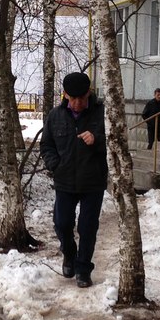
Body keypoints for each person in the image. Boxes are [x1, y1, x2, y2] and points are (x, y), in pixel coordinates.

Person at [40, 71, 108, 288]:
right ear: (65, 95)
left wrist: (97, 139)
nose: (78, 103)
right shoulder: (55, 116)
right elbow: (47, 145)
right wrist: (54, 164)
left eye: (82, 98)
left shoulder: (102, 114)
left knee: (88, 227)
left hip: (93, 181)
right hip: (65, 180)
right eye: (73, 98)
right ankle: (69, 254)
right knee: (62, 223)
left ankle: (83, 269)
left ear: (89, 93)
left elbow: (117, 141)